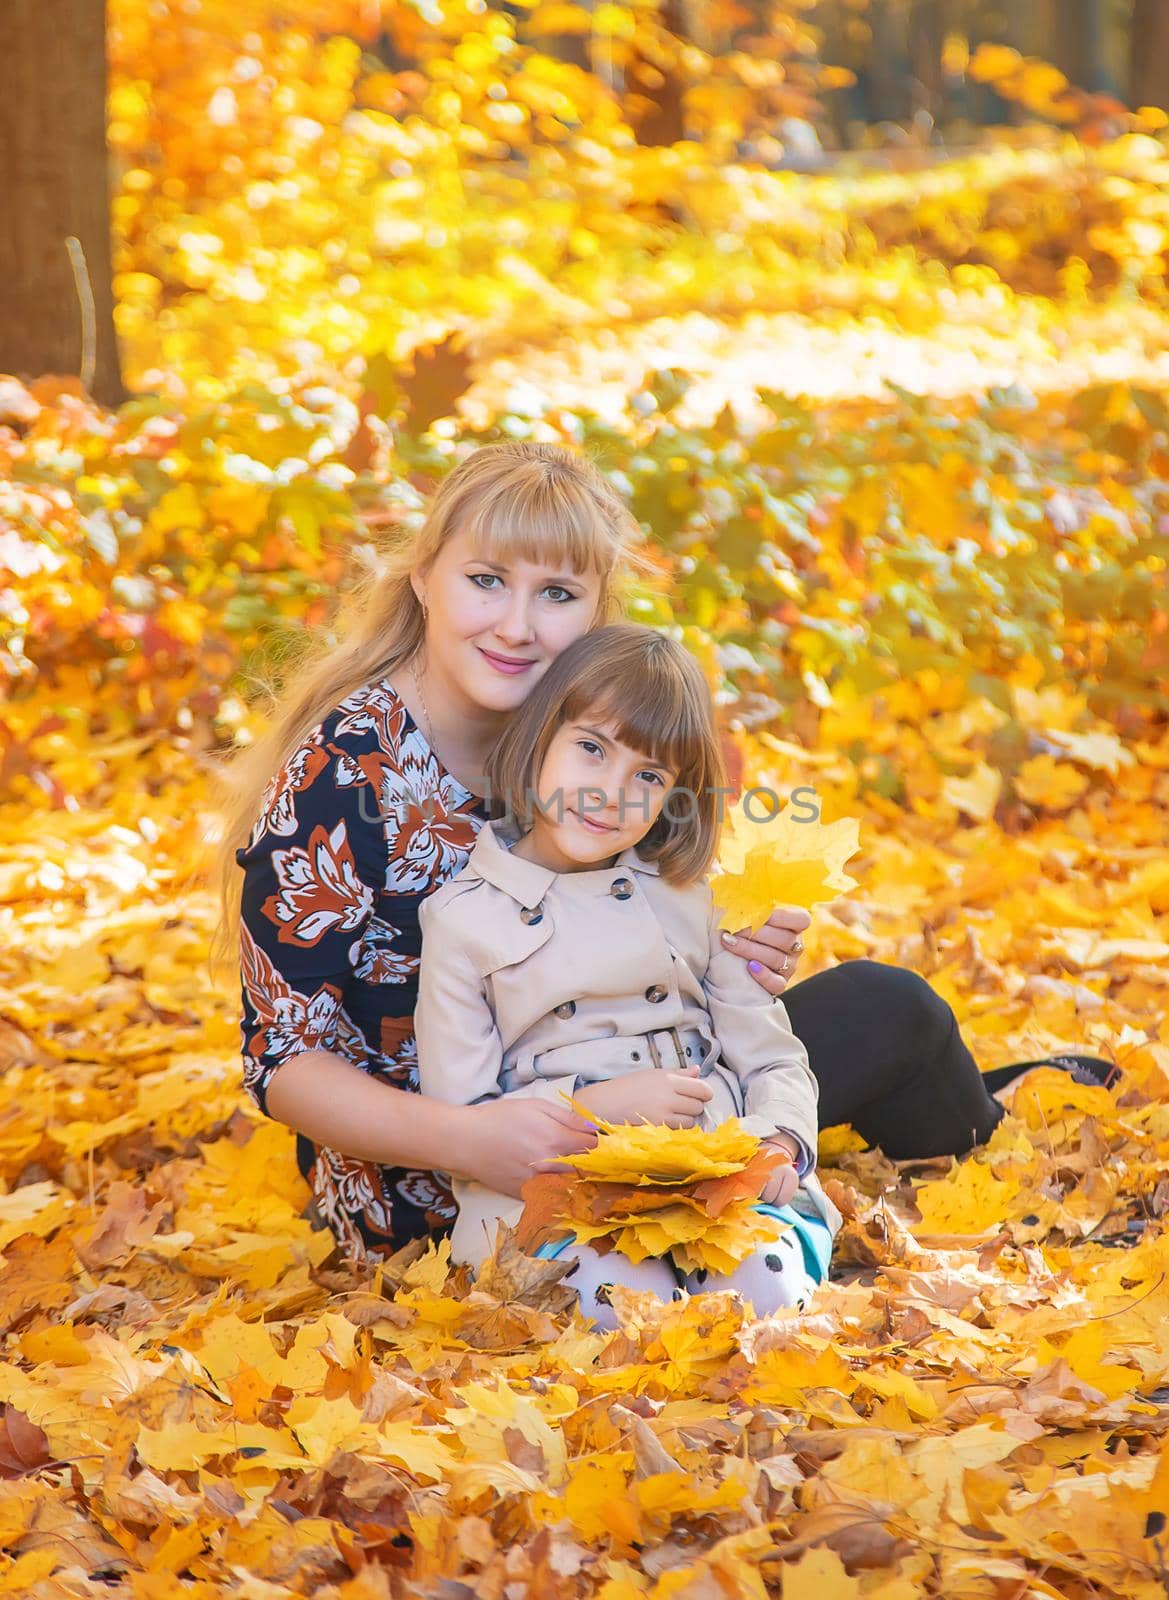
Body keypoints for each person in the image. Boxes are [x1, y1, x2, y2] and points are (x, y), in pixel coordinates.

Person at [210, 440, 1118, 1267]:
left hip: (650, 1085)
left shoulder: (591, 721)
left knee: (889, 1008)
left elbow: (672, 901)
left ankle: (982, 1129)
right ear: (423, 579)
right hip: (445, 1184)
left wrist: (735, 948)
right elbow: (283, 1062)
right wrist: (470, 1141)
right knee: (880, 1038)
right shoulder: (340, 776)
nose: (518, 626)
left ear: (596, 611)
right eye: (486, 580)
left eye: (557, 595)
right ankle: (947, 1105)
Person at [414, 623, 842, 1328]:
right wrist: (597, 1107)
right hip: (558, 1196)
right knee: (616, 1305)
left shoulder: (693, 897)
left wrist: (780, 1140)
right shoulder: (463, 921)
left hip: (715, 1177)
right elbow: (462, 1117)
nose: (609, 791)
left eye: (646, 776)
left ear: (676, 795)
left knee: (762, 1299)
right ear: (539, 739)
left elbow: (770, 1054)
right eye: (590, 749)